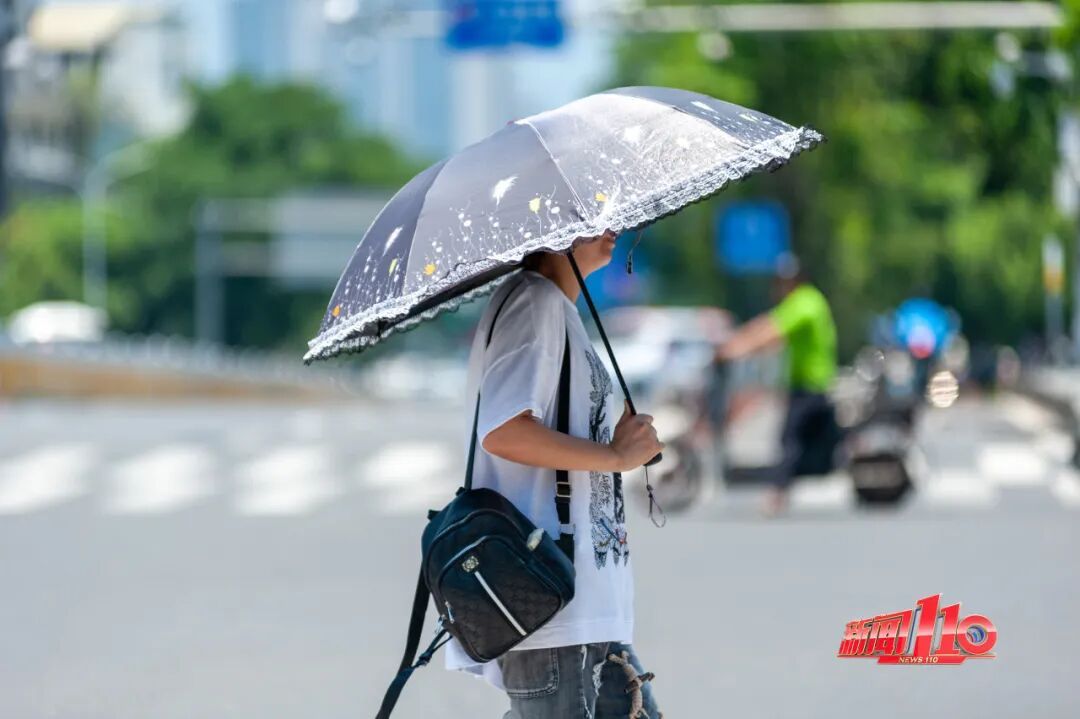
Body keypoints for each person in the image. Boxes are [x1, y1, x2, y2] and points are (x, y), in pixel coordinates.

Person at [449, 229, 665, 718]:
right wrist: (613, 456)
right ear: (553, 231)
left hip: (582, 609)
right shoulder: (534, 302)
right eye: (592, 214)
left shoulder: (558, 309)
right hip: (555, 606)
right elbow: (503, 431)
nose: (611, 224)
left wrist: (619, 440)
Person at [715, 255, 837, 516]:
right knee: (808, 437)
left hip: (811, 383)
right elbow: (769, 333)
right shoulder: (804, 302)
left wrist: (733, 348)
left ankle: (777, 494)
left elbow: (770, 330)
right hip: (807, 382)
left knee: (789, 439)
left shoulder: (804, 302)